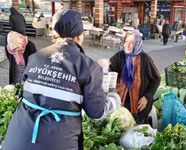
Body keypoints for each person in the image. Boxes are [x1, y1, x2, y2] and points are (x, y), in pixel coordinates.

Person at [3, 9, 120, 150]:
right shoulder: (88, 67)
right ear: (79, 36)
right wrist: (114, 99)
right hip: (58, 141)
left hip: (17, 137)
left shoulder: (35, 57)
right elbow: (96, 112)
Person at [99, 30, 160, 124]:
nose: (127, 45)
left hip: (139, 103)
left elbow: (156, 79)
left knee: (136, 127)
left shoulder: (145, 59)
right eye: (126, 41)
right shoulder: (120, 56)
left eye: (131, 43)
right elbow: (109, 68)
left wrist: (147, 97)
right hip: (121, 101)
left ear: (137, 44)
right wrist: (103, 66)